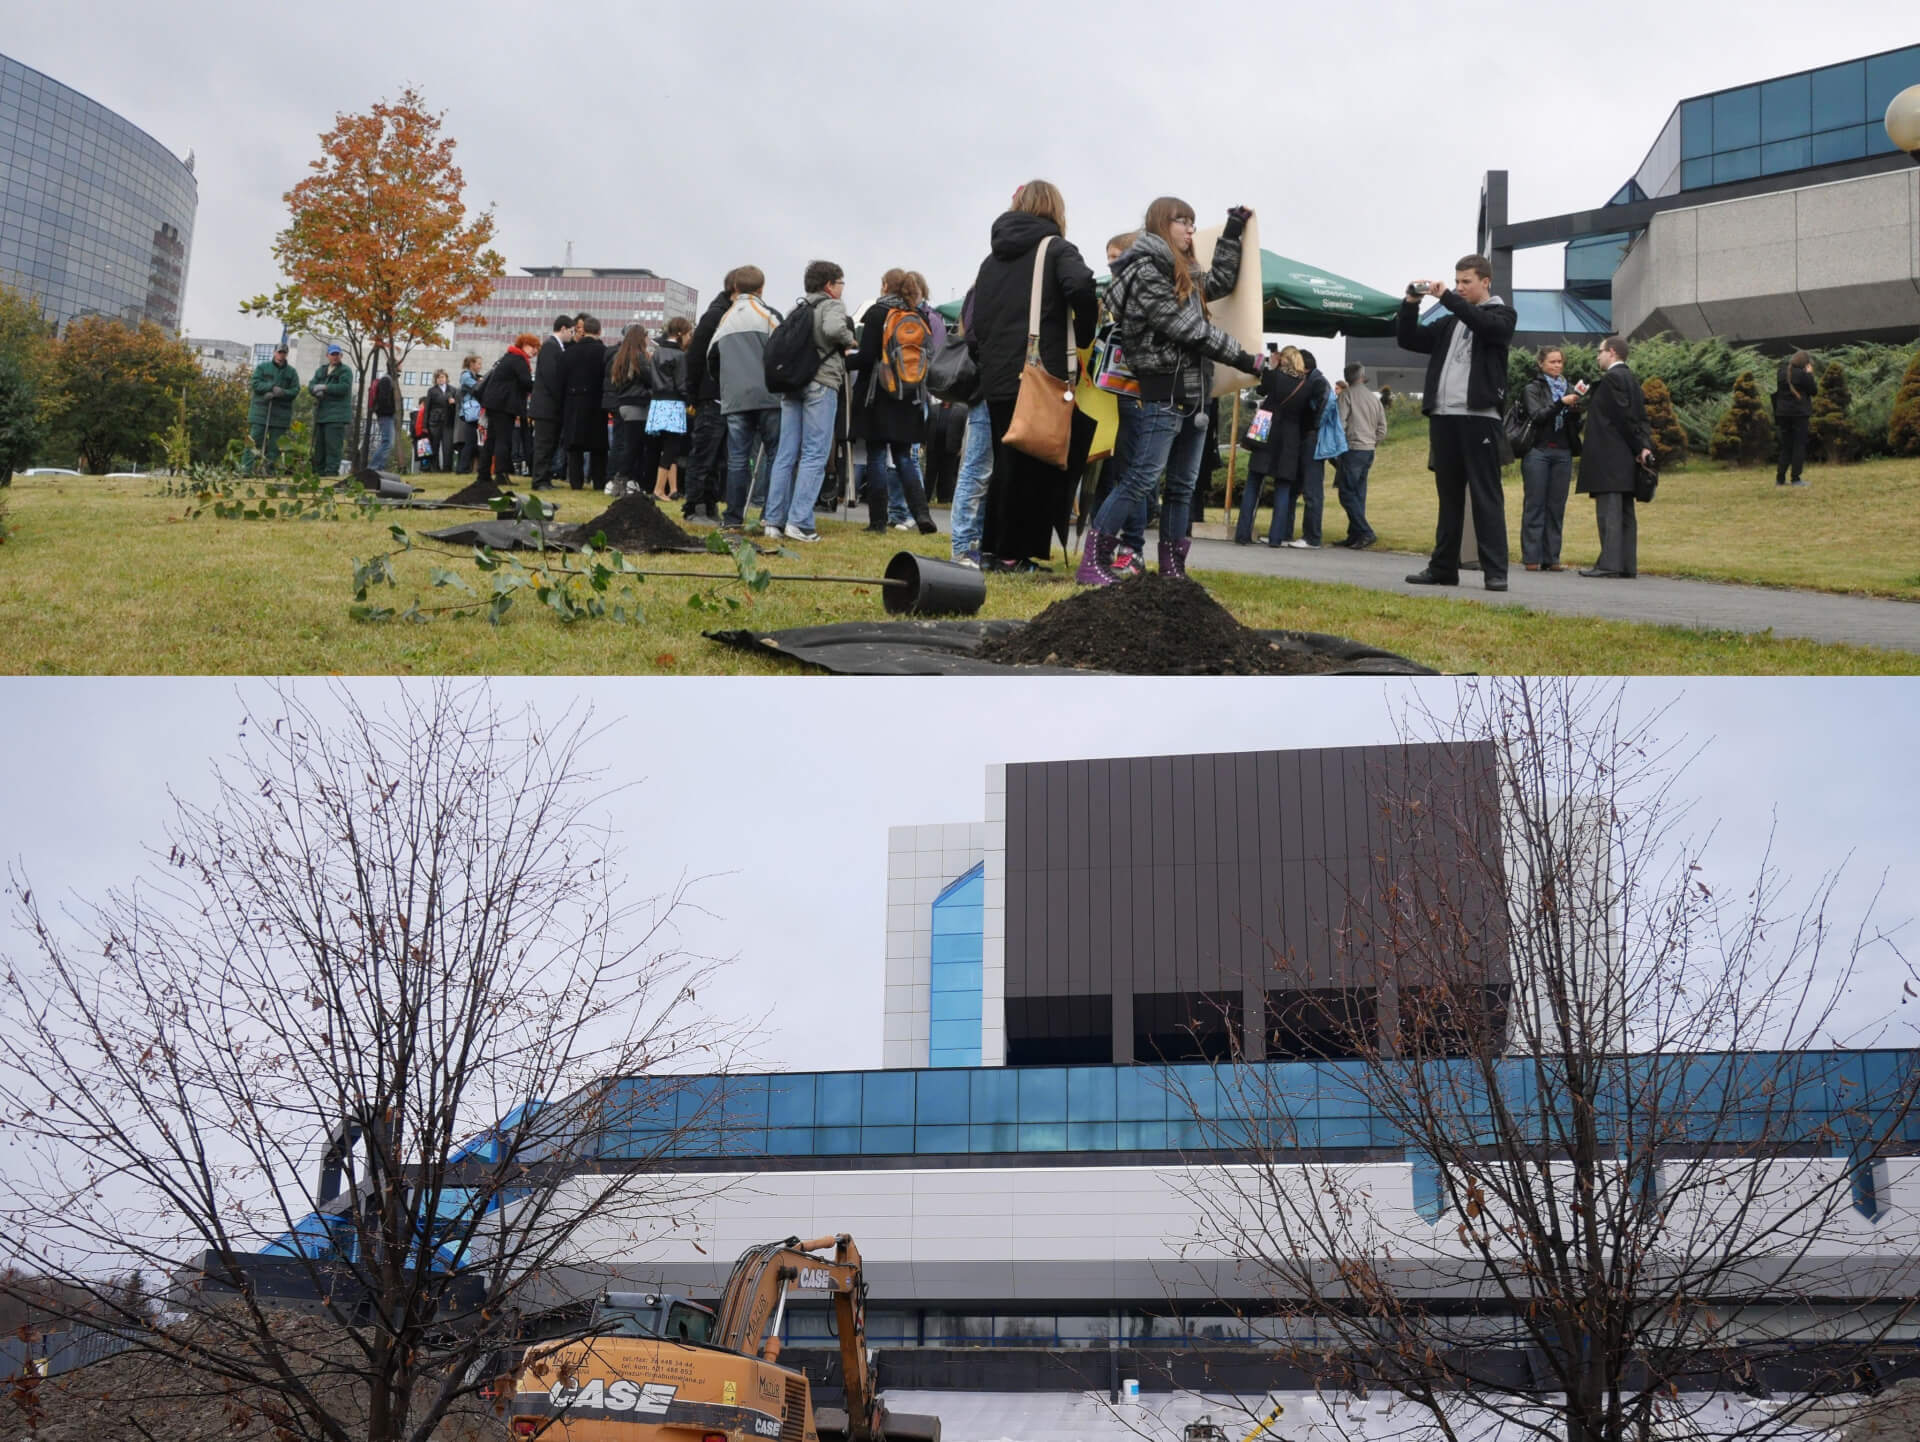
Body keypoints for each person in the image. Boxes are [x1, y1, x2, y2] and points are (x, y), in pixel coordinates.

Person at [1078, 198, 1261, 584]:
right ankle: (1094, 561)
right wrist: (1246, 360)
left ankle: (1173, 571)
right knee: (1142, 478)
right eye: (1183, 221)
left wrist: (1231, 232)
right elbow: (1187, 328)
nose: (1190, 229)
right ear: (1162, 224)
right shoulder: (1146, 272)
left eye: (1193, 222)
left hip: (1195, 393)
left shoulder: (1181, 272)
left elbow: (1221, 283)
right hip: (1165, 389)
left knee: (1182, 486)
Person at [966, 180, 1098, 573]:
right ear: (1055, 208)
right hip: (1040, 371)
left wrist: (987, 356)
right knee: (1035, 464)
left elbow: (977, 319)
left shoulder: (991, 260)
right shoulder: (1055, 249)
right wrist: (1085, 331)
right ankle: (1013, 553)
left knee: (1005, 460)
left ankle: (994, 549)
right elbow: (1082, 286)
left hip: (997, 373)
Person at [1397, 255, 1518, 593]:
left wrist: (1448, 297)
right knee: (1449, 498)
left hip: (1480, 419)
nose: (1460, 287)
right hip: (1444, 418)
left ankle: (1496, 572)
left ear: (1486, 282)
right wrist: (1410, 303)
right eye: (1458, 281)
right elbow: (1409, 339)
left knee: (1485, 497)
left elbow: (1488, 328)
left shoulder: (1503, 315)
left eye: (1466, 281)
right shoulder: (1450, 323)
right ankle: (1443, 569)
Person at [763, 260, 859, 543]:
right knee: (815, 453)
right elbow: (832, 330)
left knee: (786, 454)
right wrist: (850, 340)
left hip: (793, 385)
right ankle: (800, 522)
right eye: (841, 283)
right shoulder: (831, 306)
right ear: (830, 285)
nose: (842, 289)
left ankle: (773, 520)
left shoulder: (798, 309)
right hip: (821, 383)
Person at [854, 268, 938, 536]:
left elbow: (867, 358)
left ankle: (878, 521)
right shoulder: (919, 316)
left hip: (879, 393)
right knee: (903, 457)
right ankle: (922, 514)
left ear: (885, 285)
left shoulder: (877, 314)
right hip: (910, 395)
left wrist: (845, 358)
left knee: (877, 455)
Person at [709, 266, 782, 534]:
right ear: (762, 288)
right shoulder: (768, 317)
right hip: (769, 397)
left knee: (737, 459)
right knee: (775, 456)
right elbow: (783, 352)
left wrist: (725, 385)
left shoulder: (725, 320)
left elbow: (711, 358)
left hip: (736, 399)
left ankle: (732, 518)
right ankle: (770, 515)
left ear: (735, 288)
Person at [1576, 335, 1655, 580]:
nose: (1597, 356)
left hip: (1610, 457)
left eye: (1600, 352)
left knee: (1609, 512)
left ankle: (1610, 563)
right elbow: (1638, 416)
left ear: (1611, 352)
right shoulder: (1631, 379)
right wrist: (1643, 446)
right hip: (1625, 458)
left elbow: (1623, 417)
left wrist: (1638, 446)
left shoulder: (1612, 379)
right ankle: (1626, 564)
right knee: (1625, 513)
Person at [1236, 347, 1312, 547]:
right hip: (1290, 439)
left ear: (1283, 360)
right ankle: (1276, 538)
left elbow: (1260, 390)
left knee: (1253, 482)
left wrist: (1271, 366)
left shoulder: (1274, 376)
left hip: (1265, 431)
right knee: (1283, 489)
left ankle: (1243, 533)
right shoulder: (1305, 385)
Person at [1517, 347, 1584, 571]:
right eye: (1552, 362)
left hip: (1563, 451)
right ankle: (1532, 557)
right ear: (1541, 364)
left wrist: (1575, 413)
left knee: (1556, 506)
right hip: (1538, 450)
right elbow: (1537, 416)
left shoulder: (1570, 388)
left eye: (1560, 362)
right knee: (1535, 505)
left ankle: (1552, 557)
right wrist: (1560, 404)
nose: (1557, 366)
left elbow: (1576, 425)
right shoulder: (1532, 388)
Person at [946, 288, 993, 568]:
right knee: (977, 469)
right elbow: (973, 336)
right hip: (988, 386)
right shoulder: (983, 290)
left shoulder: (980, 290)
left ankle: (972, 545)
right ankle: (963, 547)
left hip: (989, 386)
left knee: (981, 470)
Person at [683, 276, 735, 522]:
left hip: (716, 394)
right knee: (705, 454)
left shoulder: (723, 313)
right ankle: (696, 505)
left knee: (715, 457)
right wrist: (692, 393)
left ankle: (709, 504)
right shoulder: (715, 316)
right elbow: (695, 355)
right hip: (710, 395)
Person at [1335, 363, 1387, 549]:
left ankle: (1365, 532)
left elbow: (1340, 424)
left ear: (1347, 377)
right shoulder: (1374, 399)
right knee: (1359, 493)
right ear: (1362, 376)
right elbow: (1382, 428)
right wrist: (1373, 442)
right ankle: (1355, 535)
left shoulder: (1346, 395)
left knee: (1346, 493)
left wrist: (1339, 447)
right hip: (1368, 450)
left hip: (1352, 448)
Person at [475, 333, 536, 486]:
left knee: (492, 439)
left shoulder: (508, 357)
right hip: (504, 405)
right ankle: (501, 474)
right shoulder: (519, 359)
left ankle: (484, 474)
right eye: (533, 346)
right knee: (503, 440)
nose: (535, 351)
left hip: (494, 403)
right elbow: (526, 382)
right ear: (523, 345)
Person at [1295, 349, 1341, 549]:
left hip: (1312, 439)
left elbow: (1326, 404)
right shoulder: (1316, 380)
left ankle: (1312, 537)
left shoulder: (1318, 382)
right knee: (1307, 489)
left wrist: (1313, 427)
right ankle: (1308, 535)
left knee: (1312, 490)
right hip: (1310, 437)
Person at [561, 314, 609, 491]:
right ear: (599, 331)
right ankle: (598, 482)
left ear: (584, 331)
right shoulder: (604, 352)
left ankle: (576, 482)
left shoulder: (570, 352)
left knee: (575, 445)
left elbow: (562, 379)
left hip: (574, 401)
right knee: (598, 446)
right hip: (596, 402)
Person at [646, 316, 693, 501]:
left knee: (667, 447)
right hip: (673, 404)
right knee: (672, 447)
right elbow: (681, 384)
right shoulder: (680, 355)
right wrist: (690, 400)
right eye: (688, 333)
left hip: (658, 402)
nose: (689, 337)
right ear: (681, 333)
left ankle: (672, 489)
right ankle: (658, 490)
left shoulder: (657, 352)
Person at [527, 314, 575, 491]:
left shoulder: (557, 347)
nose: (571, 335)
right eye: (570, 331)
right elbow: (551, 377)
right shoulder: (550, 347)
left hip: (551, 407)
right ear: (563, 329)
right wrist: (561, 398)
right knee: (543, 444)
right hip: (546, 407)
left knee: (550, 444)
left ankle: (545, 478)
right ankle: (538, 480)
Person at [604, 325, 654, 496]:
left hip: (623, 404)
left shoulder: (620, 357)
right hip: (637, 405)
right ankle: (622, 479)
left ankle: (620, 480)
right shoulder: (639, 357)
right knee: (633, 447)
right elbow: (650, 378)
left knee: (625, 444)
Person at [245, 342, 299, 474]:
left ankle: (268, 472)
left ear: (286, 354)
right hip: (261, 412)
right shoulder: (263, 367)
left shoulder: (291, 372)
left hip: (280, 415)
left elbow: (295, 390)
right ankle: (246, 469)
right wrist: (269, 388)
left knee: (275, 447)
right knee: (253, 442)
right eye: (279, 352)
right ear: (274, 353)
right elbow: (255, 383)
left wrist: (283, 393)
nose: (281, 355)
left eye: (284, 353)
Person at [307, 344, 353, 478]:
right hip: (321, 414)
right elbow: (311, 384)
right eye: (332, 354)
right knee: (319, 447)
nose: (335, 357)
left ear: (341, 356)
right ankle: (318, 473)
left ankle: (331, 473)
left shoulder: (345, 371)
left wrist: (326, 387)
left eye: (337, 354)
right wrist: (315, 390)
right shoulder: (321, 370)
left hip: (336, 415)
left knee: (333, 447)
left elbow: (343, 388)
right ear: (327, 356)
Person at [1773, 349, 1816, 487]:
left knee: (1786, 446)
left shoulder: (1781, 372)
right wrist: (1809, 374)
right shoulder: (1803, 375)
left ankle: (1780, 478)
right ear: (1805, 363)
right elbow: (1813, 391)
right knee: (1799, 445)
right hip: (1799, 414)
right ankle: (1795, 478)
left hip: (1782, 414)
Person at [452, 355, 484, 474]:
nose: (480, 366)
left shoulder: (472, 376)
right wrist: (481, 382)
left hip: (474, 411)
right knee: (470, 442)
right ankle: (462, 468)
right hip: (471, 412)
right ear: (472, 364)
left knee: (472, 441)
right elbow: (476, 388)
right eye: (479, 364)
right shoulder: (466, 375)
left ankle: (464, 468)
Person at [422, 370, 453, 473]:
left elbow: (457, 406)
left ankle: (447, 468)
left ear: (447, 378)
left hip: (448, 421)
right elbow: (427, 408)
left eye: (443, 377)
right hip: (435, 422)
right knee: (434, 445)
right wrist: (424, 425)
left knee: (447, 446)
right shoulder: (431, 391)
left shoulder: (453, 390)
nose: (441, 379)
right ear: (436, 380)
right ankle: (435, 468)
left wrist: (454, 402)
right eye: (439, 377)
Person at [368, 370, 397, 470]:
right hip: (385, 415)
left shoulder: (390, 379)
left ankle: (378, 467)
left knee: (388, 443)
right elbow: (383, 398)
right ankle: (373, 467)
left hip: (386, 415)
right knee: (387, 442)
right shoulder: (386, 379)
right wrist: (391, 410)